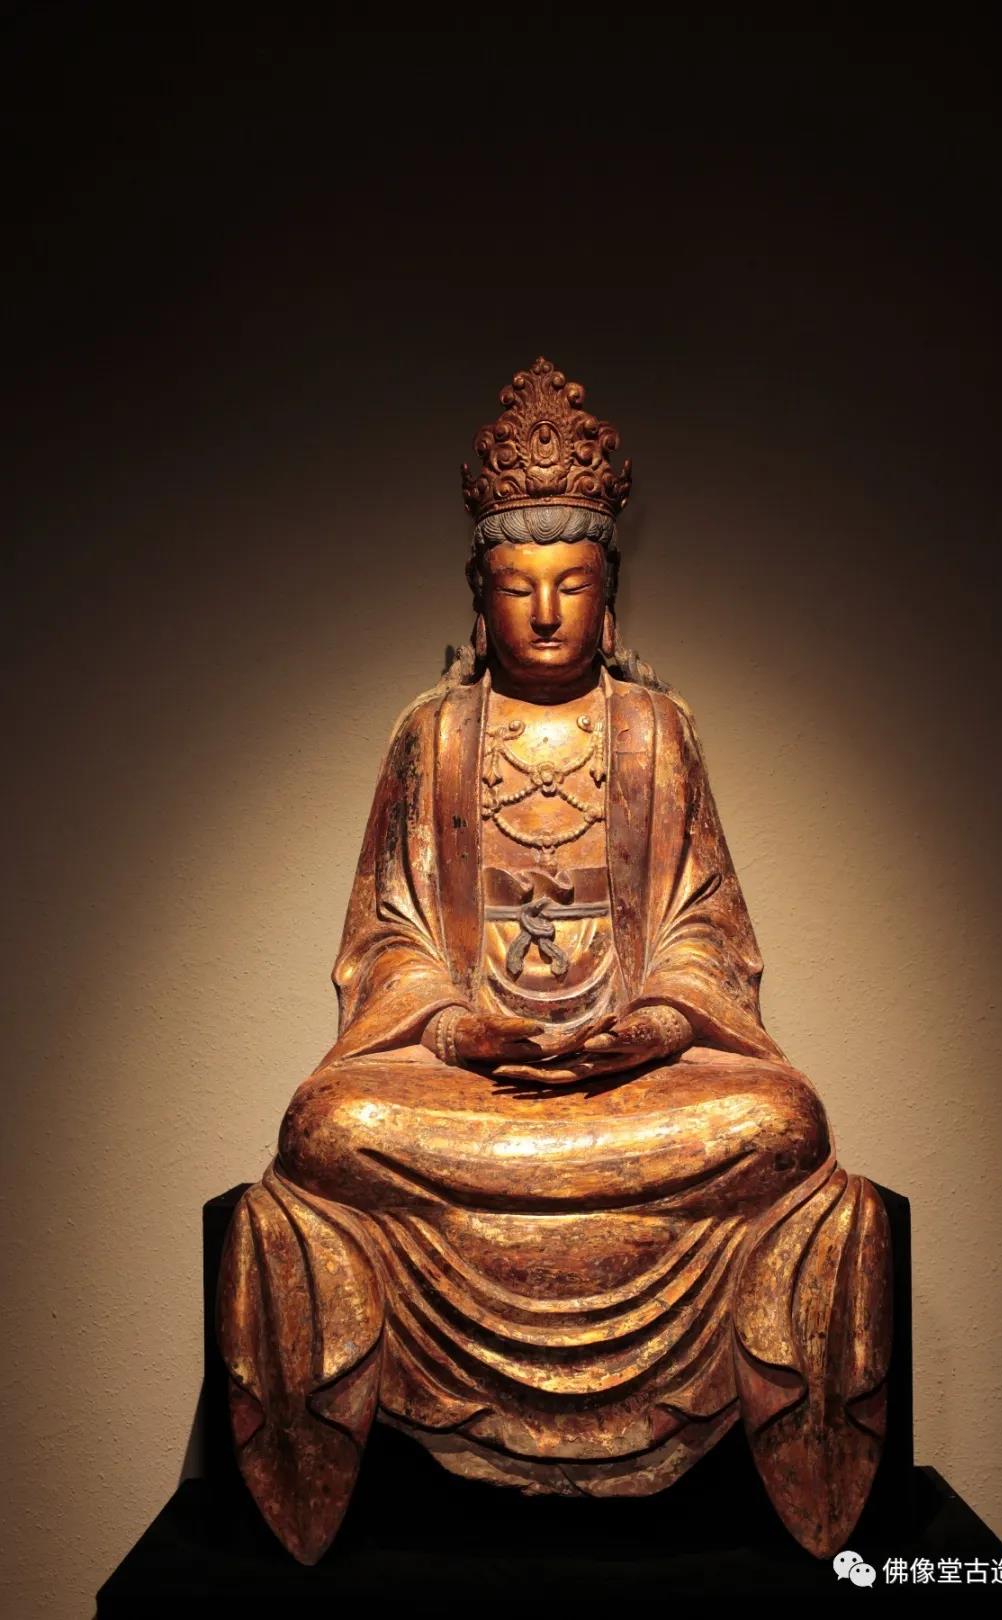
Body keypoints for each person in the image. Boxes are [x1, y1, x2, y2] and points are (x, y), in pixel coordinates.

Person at [217, 356, 892, 1565]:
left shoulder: (657, 732)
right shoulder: (429, 736)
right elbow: (389, 935)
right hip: (463, 1082)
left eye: (571, 585)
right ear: (478, 597)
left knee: (785, 1124)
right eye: (518, 586)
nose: (543, 613)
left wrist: (658, 1026)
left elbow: (704, 927)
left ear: (609, 594)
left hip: (637, 1081)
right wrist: (453, 1027)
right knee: (325, 1130)